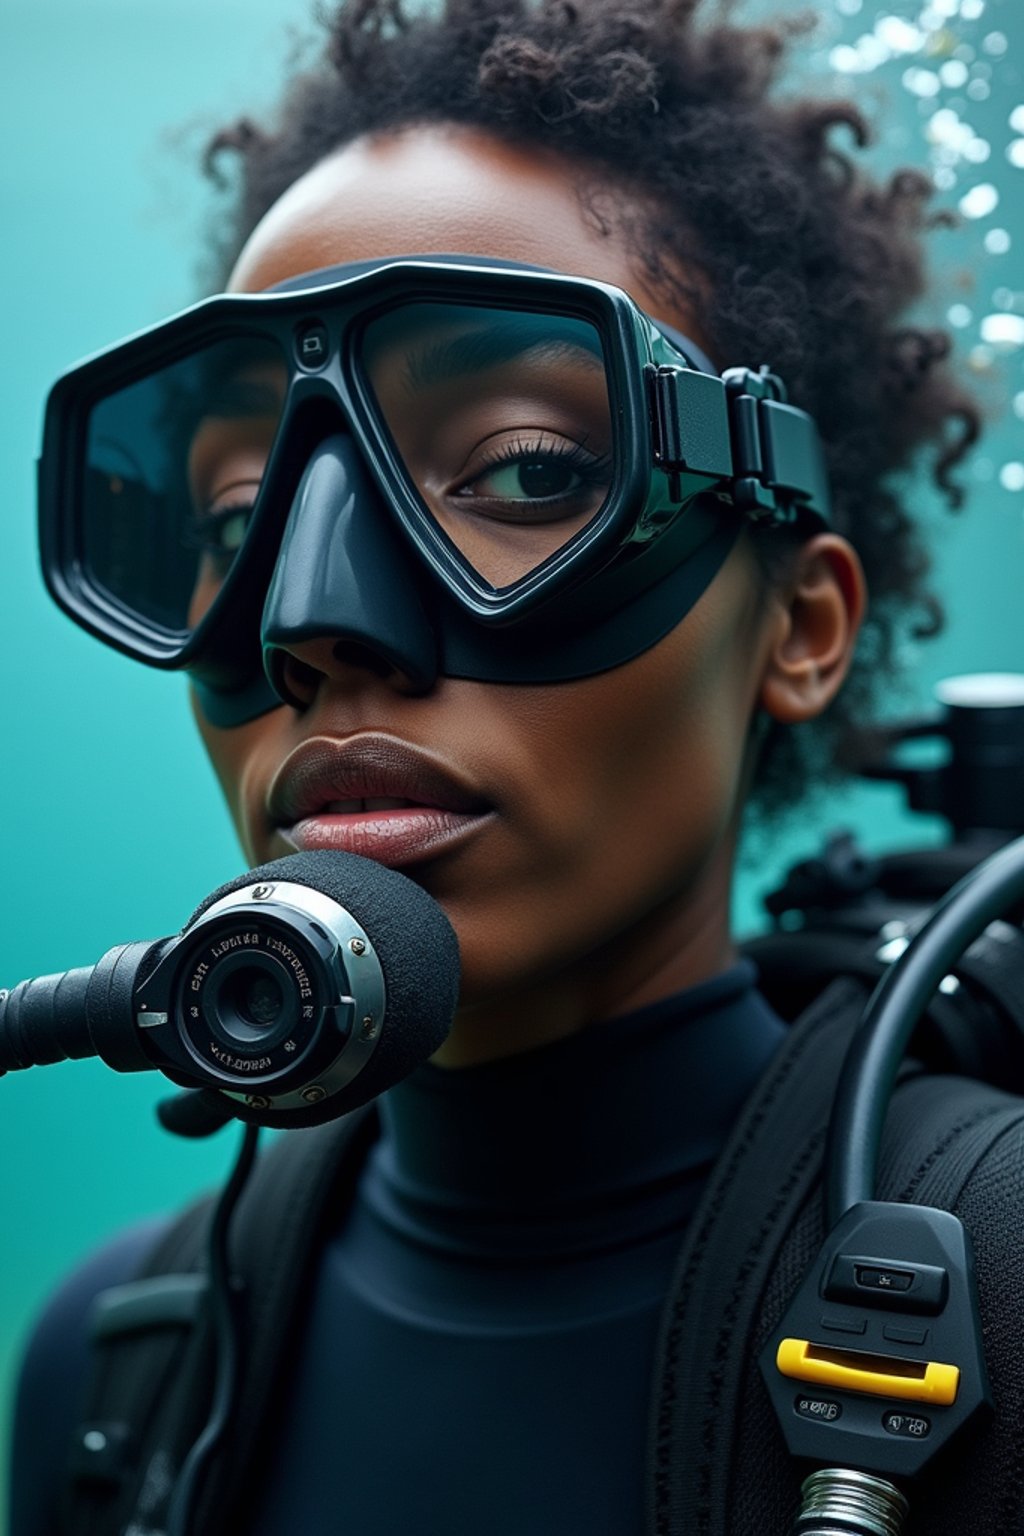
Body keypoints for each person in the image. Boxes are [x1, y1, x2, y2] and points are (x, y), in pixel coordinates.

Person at [10, 1, 991, 1533]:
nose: (312, 618)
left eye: (526, 471)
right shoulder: (113, 1371)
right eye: (231, 525)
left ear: (801, 628)